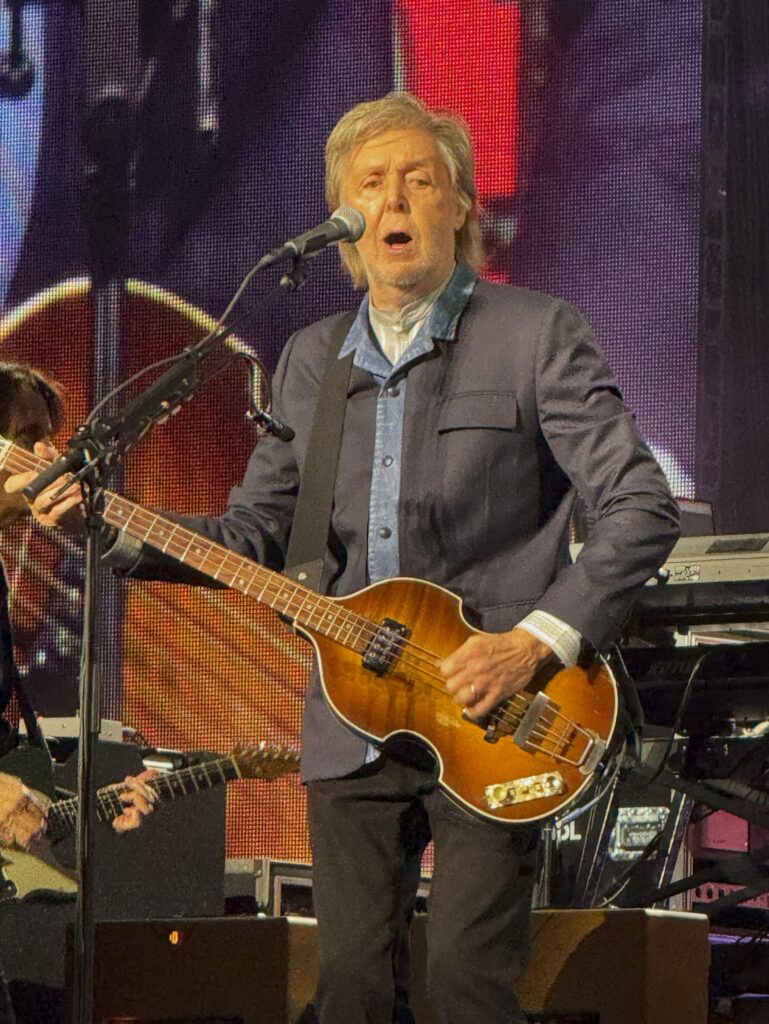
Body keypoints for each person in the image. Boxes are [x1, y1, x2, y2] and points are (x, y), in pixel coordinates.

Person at [7, 93, 680, 1023]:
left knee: (466, 985)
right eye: (370, 184)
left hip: (498, 713)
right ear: (344, 222)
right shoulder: (309, 360)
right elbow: (254, 536)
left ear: (460, 206)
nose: (392, 200)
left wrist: (531, 643)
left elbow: (640, 506)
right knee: (351, 991)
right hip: (351, 720)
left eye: (418, 181)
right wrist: (103, 525)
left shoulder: (534, 335)